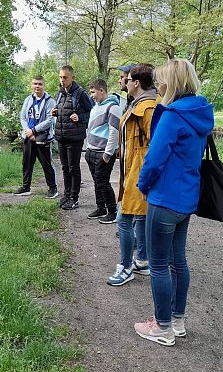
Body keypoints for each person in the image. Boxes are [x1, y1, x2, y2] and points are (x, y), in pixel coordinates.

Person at [134, 59, 214, 346]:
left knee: (158, 265)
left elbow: (154, 159)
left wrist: (142, 185)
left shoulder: (171, 115)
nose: (158, 87)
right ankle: (177, 321)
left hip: (164, 198)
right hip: (186, 199)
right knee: (178, 261)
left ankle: (162, 327)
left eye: (161, 82)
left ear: (171, 83)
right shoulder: (201, 112)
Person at [107, 64, 157, 286]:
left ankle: (125, 266)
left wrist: (144, 175)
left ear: (136, 83)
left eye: (126, 80)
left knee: (123, 219)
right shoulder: (137, 104)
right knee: (139, 217)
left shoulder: (148, 109)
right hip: (132, 171)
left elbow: (155, 146)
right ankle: (143, 260)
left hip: (139, 173)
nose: (124, 82)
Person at [52, 65, 94, 210]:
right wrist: (56, 112)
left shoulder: (81, 93)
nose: (62, 80)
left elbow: (92, 112)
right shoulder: (60, 93)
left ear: (72, 78)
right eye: (60, 77)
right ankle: (67, 195)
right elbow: (64, 110)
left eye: (65, 77)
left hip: (75, 138)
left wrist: (80, 117)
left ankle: (74, 198)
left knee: (73, 168)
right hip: (61, 136)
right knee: (64, 168)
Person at [14, 75, 58, 198]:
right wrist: (28, 131)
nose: (37, 86)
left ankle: (52, 188)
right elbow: (23, 117)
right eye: (35, 84)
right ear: (32, 85)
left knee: (46, 163)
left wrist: (34, 131)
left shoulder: (50, 101)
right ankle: (26, 187)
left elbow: (50, 120)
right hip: (28, 136)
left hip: (43, 137)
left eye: (39, 84)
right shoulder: (28, 99)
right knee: (27, 162)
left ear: (44, 85)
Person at [85, 79, 122, 224]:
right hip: (91, 151)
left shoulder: (113, 107)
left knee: (103, 182)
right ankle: (101, 208)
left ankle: (112, 211)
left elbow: (114, 132)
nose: (92, 96)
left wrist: (107, 155)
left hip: (103, 153)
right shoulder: (95, 107)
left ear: (102, 90)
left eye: (93, 92)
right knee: (96, 181)